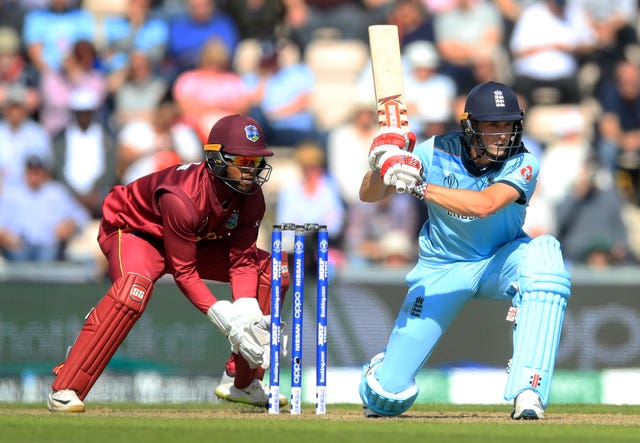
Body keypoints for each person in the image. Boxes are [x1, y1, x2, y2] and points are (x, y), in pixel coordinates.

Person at [358, 81, 571, 420]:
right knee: (385, 397)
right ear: (471, 125)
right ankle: (386, 370)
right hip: (442, 267)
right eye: (493, 125)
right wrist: (383, 164)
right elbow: (368, 195)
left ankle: (529, 391)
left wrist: (419, 185)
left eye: (509, 125)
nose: (503, 134)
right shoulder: (434, 150)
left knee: (546, 258)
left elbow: (486, 205)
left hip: (499, 260)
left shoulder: (524, 162)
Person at [47, 114, 289, 412]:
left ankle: (242, 381)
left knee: (274, 268)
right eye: (243, 162)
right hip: (135, 231)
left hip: (191, 239)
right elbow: (184, 273)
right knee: (132, 291)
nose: (251, 171)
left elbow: (242, 261)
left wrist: (247, 309)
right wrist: (224, 318)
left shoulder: (252, 197)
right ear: (217, 159)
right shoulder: (183, 197)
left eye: (255, 163)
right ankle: (67, 386)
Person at [0, 154, 90, 261]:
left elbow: (82, 215)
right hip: (18, 245)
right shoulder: (11, 193)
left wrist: (71, 223)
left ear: (44, 173)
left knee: (47, 257)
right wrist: (4, 235)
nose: (34, 177)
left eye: (37, 172)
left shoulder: (56, 192)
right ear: (25, 173)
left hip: (48, 246)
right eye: (31, 172)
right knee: (19, 257)